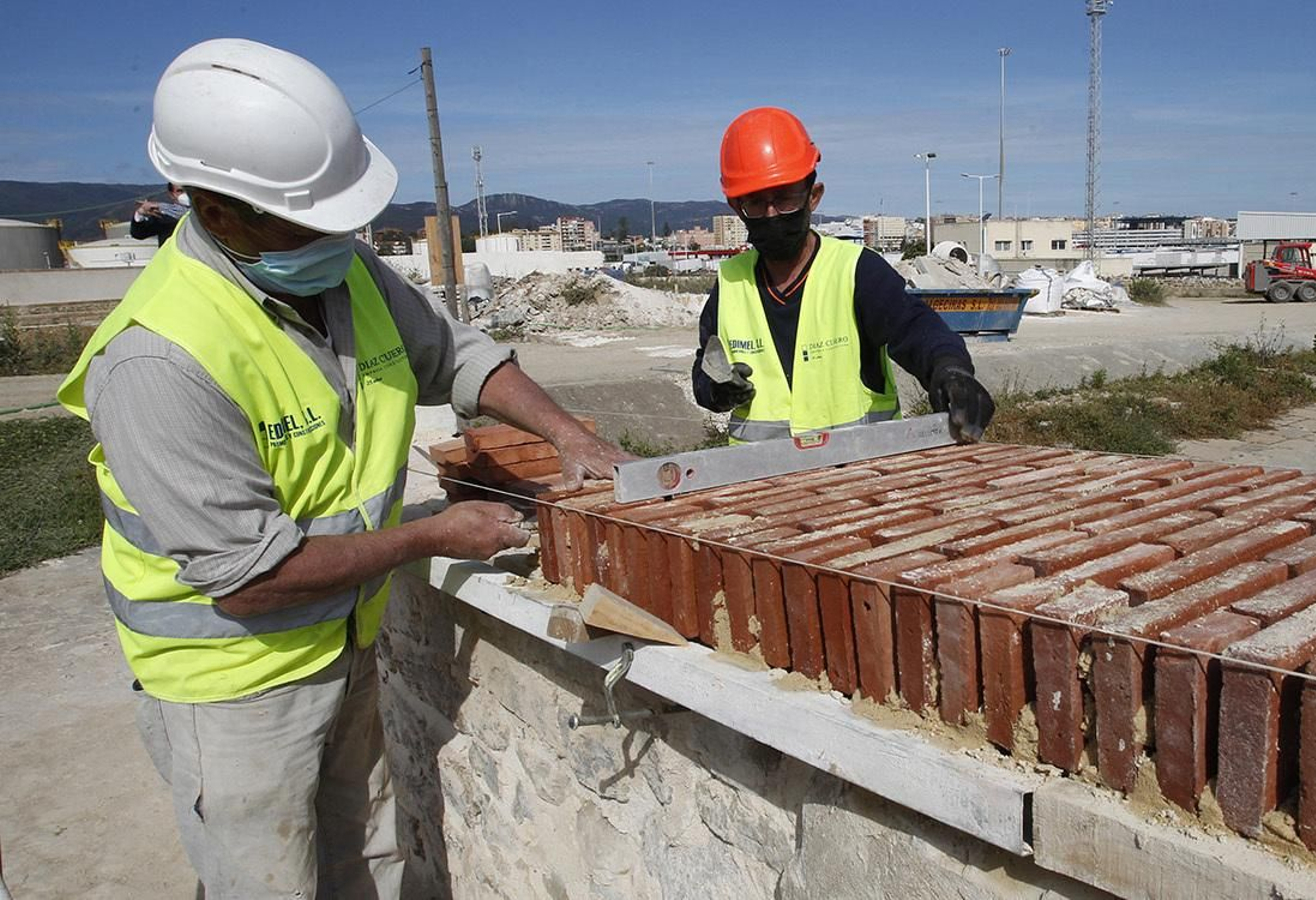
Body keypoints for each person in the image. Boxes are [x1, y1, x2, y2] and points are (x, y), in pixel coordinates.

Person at [57, 39, 631, 899]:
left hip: (343, 645)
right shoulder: (159, 361)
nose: (342, 236)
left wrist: (567, 436)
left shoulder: (346, 269)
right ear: (217, 207)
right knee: (270, 883)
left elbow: (457, 355)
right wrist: (434, 534)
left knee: (367, 863)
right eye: (312, 220)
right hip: (234, 689)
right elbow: (249, 580)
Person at [691, 107, 994, 445]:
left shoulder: (856, 270)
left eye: (784, 198)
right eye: (756, 203)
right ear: (737, 208)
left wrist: (950, 369)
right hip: (763, 484)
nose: (772, 213)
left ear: (813, 196)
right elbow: (705, 369)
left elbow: (915, 327)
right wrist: (715, 389)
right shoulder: (731, 284)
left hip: (860, 478)